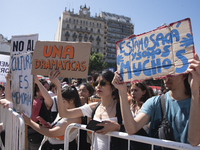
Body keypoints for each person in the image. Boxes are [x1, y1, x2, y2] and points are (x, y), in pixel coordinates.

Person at [112, 53, 200, 146]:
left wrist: (195, 90)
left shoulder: (196, 103)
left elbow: (194, 140)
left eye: (171, 70)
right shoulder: (154, 102)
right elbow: (131, 128)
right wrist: (122, 91)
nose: (165, 75)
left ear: (184, 74)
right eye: (164, 69)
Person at [49, 70, 123, 150]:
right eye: (95, 83)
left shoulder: (121, 108)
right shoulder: (93, 107)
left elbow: (133, 131)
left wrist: (118, 127)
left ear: (113, 87)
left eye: (103, 83)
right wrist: (58, 86)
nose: (98, 86)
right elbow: (64, 113)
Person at [23, 86, 82, 150]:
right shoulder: (61, 113)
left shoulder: (76, 118)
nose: (58, 103)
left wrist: (30, 122)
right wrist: (49, 126)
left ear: (71, 101)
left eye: (62, 101)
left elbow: (51, 133)